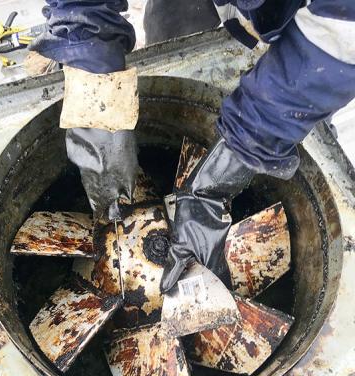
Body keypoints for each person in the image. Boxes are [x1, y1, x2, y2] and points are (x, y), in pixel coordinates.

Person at [30, 0, 355, 292]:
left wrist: (232, 166)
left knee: (290, 102)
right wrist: (91, 65)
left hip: (312, 31)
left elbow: (338, 43)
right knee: (172, 32)